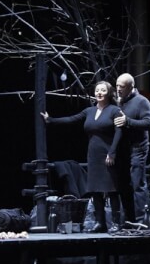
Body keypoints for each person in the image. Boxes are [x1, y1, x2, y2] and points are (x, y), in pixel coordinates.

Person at [43, 80, 124, 232]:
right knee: (95, 189)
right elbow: (71, 119)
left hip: (108, 155)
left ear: (108, 93)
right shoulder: (89, 111)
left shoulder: (114, 110)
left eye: (103, 90)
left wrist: (112, 153)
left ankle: (116, 223)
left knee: (112, 190)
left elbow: (119, 132)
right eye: (97, 90)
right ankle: (100, 223)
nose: (99, 93)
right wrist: (51, 120)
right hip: (93, 156)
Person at [112, 73, 150, 228]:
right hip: (123, 150)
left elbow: (149, 124)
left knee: (137, 184)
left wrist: (127, 121)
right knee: (124, 185)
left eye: (121, 86)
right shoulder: (119, 102)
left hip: (138, 148)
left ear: (130, 86)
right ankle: (127, 220)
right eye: (116, 85)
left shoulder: (142, 101)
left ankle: (142, 220)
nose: (118, 89)